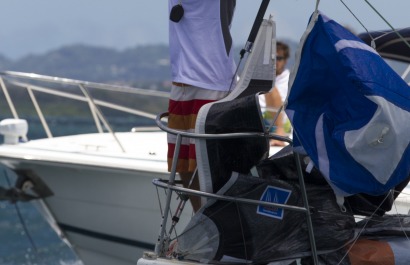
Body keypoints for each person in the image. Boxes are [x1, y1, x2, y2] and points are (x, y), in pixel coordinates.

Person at [167, 0, 237, 212]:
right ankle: (201, 220)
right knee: (181, 163)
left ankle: (212, 223)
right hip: (181, 78)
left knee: (204, 163)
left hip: (212, 80)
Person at [259, 41, 291, 146]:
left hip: (281, 124)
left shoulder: (291, 80)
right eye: (272, 59)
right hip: (260, 121)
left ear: (285, 60)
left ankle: (279, 133)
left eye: (279, 58)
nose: (275, 62)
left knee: (271, 88)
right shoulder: (259, 77)